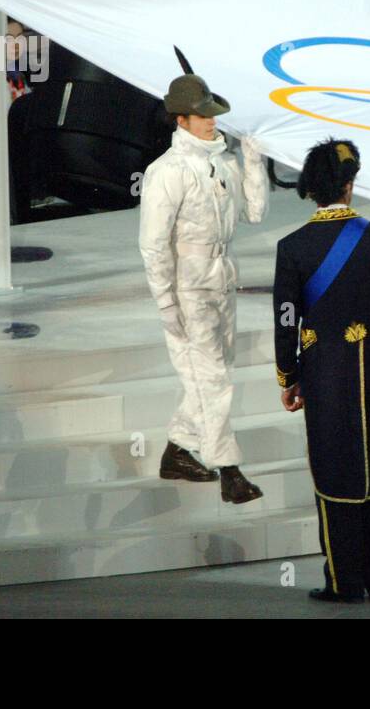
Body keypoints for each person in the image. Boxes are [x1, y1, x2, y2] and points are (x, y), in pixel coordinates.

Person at [273, 139, 370, 604]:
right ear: (350, 186)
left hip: (323, 375)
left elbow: (286, 320)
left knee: (334, 473)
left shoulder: (292, 247)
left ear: (313, 189)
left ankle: (344, 581)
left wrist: (288, 377)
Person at [139, 68, 267, 505]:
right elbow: (153, 246)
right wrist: (164, 303)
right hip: (187, 287)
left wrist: (253, 162)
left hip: (223, 279)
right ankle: (229, 470)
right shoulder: (166, 172)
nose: (211, 121)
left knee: (212, 375)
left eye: (211, 113)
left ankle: (178, 450)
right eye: (201, 115)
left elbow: (255, 213)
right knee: (212, 379)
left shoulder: (224, 161)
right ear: (181, 120)